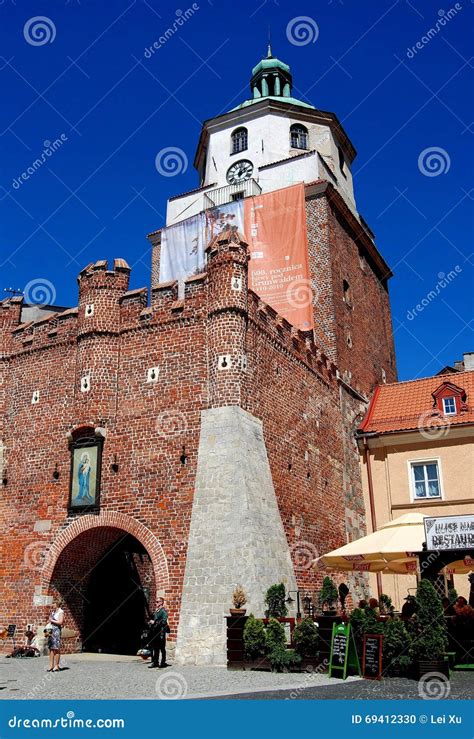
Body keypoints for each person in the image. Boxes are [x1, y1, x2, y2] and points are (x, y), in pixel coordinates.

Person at [147, 597, 169, 669]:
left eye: (157, 602)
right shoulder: (156, 611)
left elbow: (164, 621)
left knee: (162, 647)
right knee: (155, 647)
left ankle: (163, 662)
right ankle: (155, 662)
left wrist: (155, 622)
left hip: (161, 632)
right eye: (156, 602)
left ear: (161, 602)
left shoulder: (163, 611)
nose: (156, 603)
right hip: (155, 632)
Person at [47, 599, 64, 672]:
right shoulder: (53, 612)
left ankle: (56, 665)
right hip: (51, 630)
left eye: (53, 604)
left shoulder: (61, 612)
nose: (52, 605)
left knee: (56, 648)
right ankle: (51, 665)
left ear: (56, 604)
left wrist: (52, 620)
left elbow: (60, 622)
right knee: (51, 648)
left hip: (56, 630)